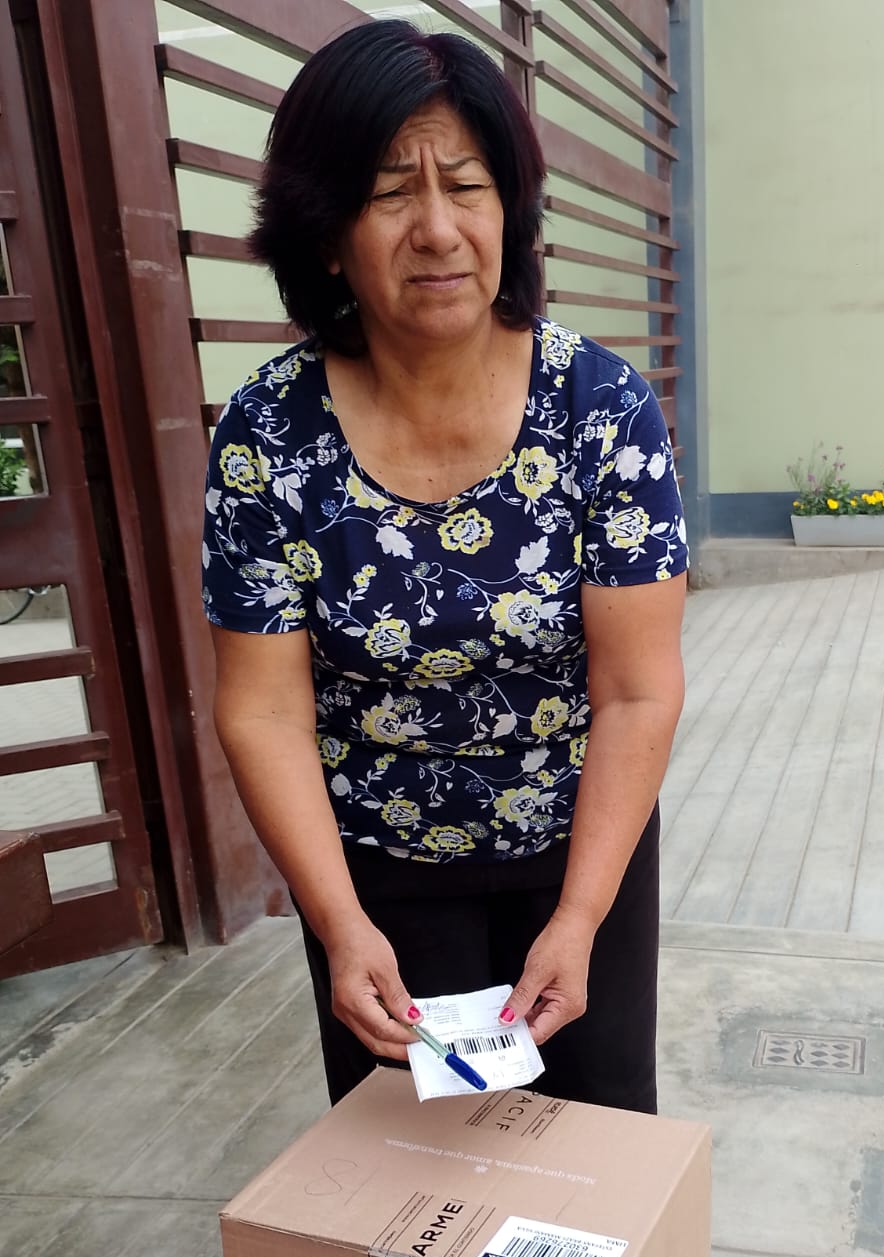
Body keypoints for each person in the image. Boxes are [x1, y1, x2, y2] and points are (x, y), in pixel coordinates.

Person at [202, 20, 687, 1113]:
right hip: (375, 873)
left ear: (509, 212)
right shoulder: (268, 435)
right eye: (389, 194)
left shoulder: (599, 409)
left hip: (579, 851)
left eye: (467, 186)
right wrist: (338, 922)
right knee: (412, 1163)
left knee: (595, 1145)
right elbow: (263, 710)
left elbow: (637, 688)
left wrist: (581, 916)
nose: (437, 229)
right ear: (328, 236)